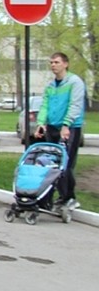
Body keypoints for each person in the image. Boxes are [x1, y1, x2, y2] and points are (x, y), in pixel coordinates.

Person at [33, 51, 86, 211]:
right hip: (53, 127)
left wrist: (66, 125)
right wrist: (41, 123)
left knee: (65, 164)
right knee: (50, 162)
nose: (53, 65)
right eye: (51, 62)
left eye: (56, 62)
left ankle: (68, 197)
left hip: (70, 128)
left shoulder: (74, 82)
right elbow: (45, 105)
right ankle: (45, 199)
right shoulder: (51, 86)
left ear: (65, 64)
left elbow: (75, 105)